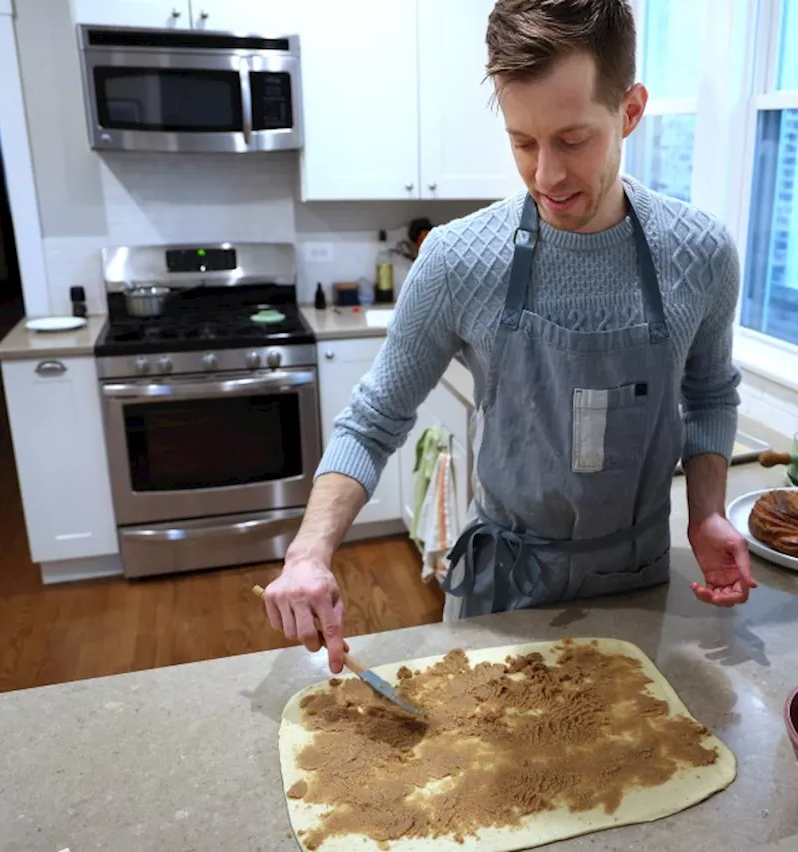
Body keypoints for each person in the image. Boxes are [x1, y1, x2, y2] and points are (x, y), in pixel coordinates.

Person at [263, 0, 755, 674]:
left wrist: (706, 513)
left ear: (631, 112)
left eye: (573, 139)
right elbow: (375, 417)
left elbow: (708, 394)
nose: (546, 175)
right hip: (504, 598)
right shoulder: (459, 261)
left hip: (640, 586)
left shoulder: (700, 253)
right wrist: (309, 552)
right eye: (523, 141)